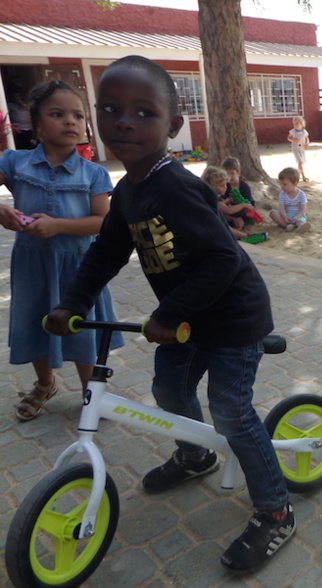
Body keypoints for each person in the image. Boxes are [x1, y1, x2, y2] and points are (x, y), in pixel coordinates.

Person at [44, 55, 294, 574]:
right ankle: (196, 456)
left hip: (231, 318)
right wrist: (72, 303)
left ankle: (276, 510)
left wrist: (169, 310)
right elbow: (106, 252)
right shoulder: (129, 189)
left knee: (231, 410)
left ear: (173, 126)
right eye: (111, 109)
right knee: (170, 391)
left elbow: (225, 256)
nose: (125, 122)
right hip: (185, 319)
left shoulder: (175, 185)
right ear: (96, 117)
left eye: (143, 112)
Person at [0, 79, 122, 421]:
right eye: (58, 114)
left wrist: (58, 226)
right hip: (32, 264)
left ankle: (91, 392)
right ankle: (45, 382)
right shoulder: (15, 163)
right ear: (37, 125)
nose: (71, 121)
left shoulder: (94, 173)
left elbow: (103, 222)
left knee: (82, 329)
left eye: (78, 116)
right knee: (36, 320)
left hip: (80, 267)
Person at [201, 166, 248, 239]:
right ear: (212, 186)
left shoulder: (211, 196)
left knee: (238, 219)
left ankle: (236, 232)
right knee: (225, 227)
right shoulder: (210, 198)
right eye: (222, 185)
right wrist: (244, 205)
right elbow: (228, 210)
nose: (225, 187)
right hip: (208, 226)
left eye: (226, 184)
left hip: (213, 221)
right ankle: (243, 235)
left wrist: (233, 219)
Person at [269, 167, 311, 233]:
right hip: (286, 215)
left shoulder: (301, 194)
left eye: (284, 184)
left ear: (295, 184)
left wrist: (297, 217)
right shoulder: (282, 194)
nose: (282, 186)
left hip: (298, 215)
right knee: (273, 213)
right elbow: (281, 208)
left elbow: (303, 209)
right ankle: (287, 226)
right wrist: (285, 216)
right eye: (281, 184)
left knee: (300, 221)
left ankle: (300, 227)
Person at [287, 116, 309, 181]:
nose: (295, 125)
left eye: (297, 123)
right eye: (294, 123)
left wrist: (307, 144)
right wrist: (294, 140)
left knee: (302, 162)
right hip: (295, 148)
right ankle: (303, 176)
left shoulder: (304, 132)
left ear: (302, 124)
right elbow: (289, 138)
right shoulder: (292, 131)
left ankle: (298, 174)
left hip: (302, 148)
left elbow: (306, 138)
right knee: (300, 161)